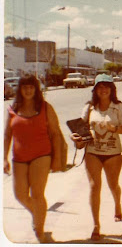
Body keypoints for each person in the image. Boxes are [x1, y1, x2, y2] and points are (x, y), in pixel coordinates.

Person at [70, 74, 122, 241]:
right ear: (95, 90)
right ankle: (96, 225)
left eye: (106, 86)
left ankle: (117, 204)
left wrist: (113, 128)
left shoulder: (118, 107)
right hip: (92, 152)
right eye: (100, 87)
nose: (103, 90)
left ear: (112, 89)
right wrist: (75, 138)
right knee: (94, 186)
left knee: (113, 185)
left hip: (113, 153)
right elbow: (79, 130)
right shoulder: (89, 108)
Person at [3, 74, 62, 243]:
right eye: (24, 87)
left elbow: (55, 134)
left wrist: (57, 159)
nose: (28, 90)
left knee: (37, 195)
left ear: (36, 89)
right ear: (20, 90)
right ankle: (37, 215)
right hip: (19, 158)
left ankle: (40, 230)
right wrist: (4, 159)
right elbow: (7, 135)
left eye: (31, 87)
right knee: (20, 195)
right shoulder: (12, 110)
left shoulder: (45, 107)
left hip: (41, 156)